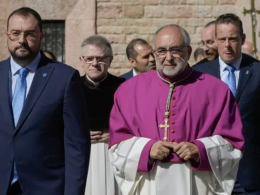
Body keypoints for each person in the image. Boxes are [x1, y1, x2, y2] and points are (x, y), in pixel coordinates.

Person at [109, 24, 244, 195]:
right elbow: (117, 144)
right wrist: (146, 149)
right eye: (161, 51)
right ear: (154, 54)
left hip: (196, 181)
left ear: (188, 51)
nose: (168, 57)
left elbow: (233, 143)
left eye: (175, 50)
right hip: (150, 181)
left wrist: (201, 149)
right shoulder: (128, 91)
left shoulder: (217, 90)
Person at [0, 7, 90, 195]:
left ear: (42, 37)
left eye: (30, 34)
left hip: (46, 187)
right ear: (7, 35)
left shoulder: (64, 78)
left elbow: (77, 146)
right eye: (15, 33)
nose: (21, 40)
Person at [193, 13, 260, 195]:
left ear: (242, 39)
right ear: (215, 40)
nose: (227, 45)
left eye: (232, 39)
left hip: (249, 174)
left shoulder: (257, 71)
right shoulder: (198, 75)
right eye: (222, 39)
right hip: (209, 171)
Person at [79, 35, 125, 195]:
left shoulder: (123, 88)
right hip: (81, 154)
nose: (95, 63)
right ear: (82, 60)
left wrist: (115, 134)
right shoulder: (71, 89)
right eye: (89, 58)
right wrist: (81, 135)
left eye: (101, 58)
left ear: (110, 60)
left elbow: (135, 124)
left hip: (115, 153)